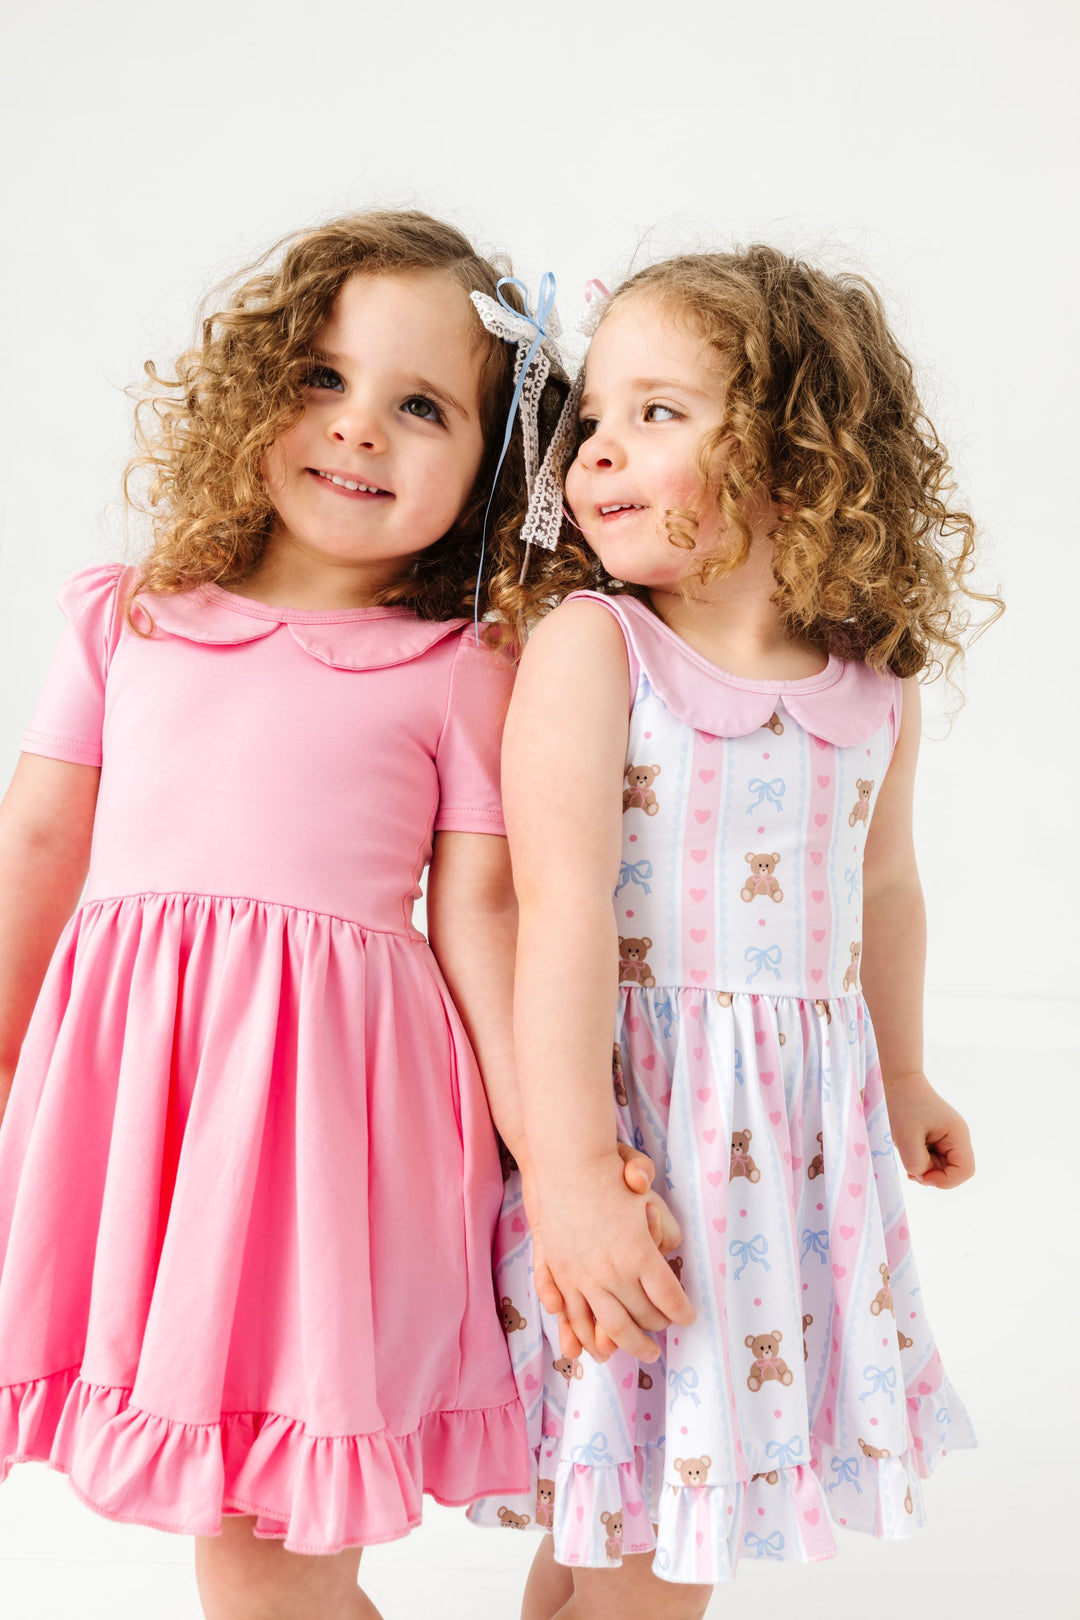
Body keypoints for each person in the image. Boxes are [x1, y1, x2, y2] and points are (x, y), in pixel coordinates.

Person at [0, 210, 670, 1620]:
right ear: (252, 393)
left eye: (418, 404)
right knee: (237, 1547)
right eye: (321, 378)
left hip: (332, 1139)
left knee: (274, 1547)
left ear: (491, 465)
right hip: (151, 1126)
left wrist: (558, 1164)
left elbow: (485, 912)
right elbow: (39, 844)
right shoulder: (127, 618)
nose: (356, 428)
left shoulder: (461, 667)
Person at [474, 248, 999, 1620]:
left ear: (798, 455)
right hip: (642, 1136)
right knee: (642, 1536)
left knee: (636, 1523)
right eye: (592, 419)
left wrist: (902, 1073)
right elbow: (559, 908)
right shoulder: (597, 649)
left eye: (659, 412)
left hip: (786, 1157)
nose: (597, 453)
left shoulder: (873, 686)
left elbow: (884, 891)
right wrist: (577, 1168)